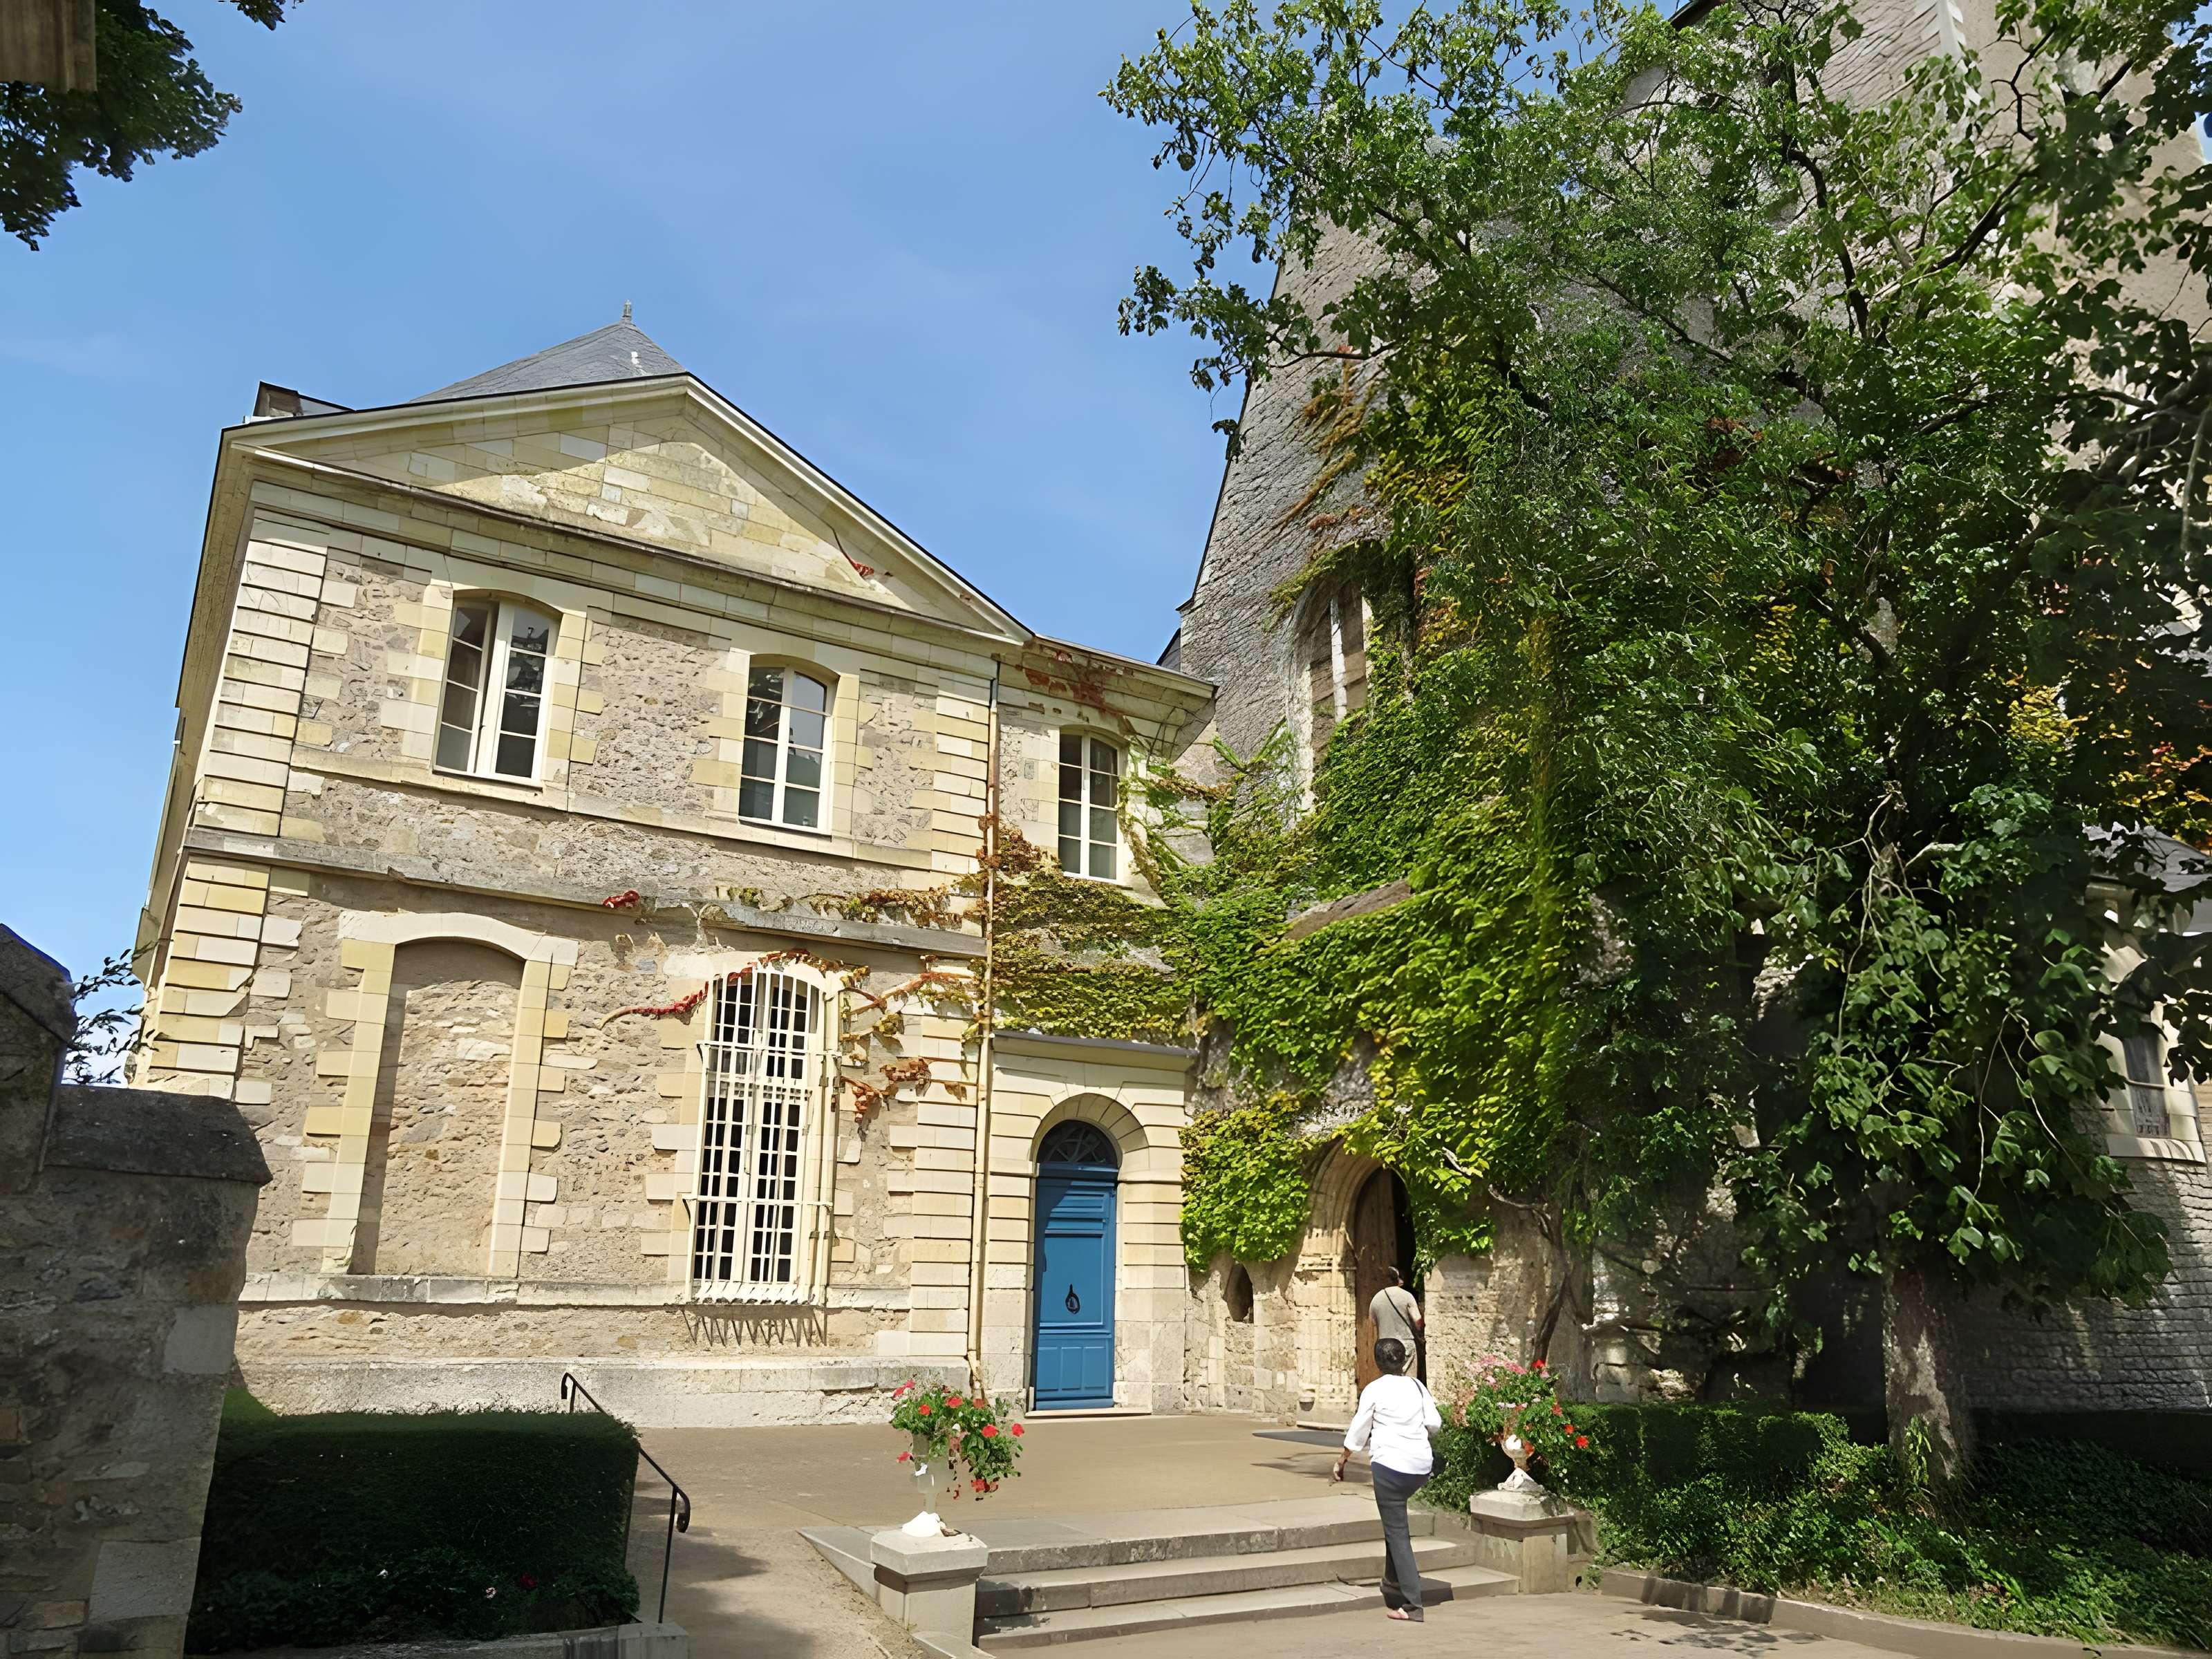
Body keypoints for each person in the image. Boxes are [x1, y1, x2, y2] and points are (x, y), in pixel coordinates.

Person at [1333, 1337, 1443, 1622]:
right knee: (1394, 1528)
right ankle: (1392, 1585)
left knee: (1397, 1532)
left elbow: (1359, 1428)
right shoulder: (1418, 1387)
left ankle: (1413, 1606)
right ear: (1403, 1360)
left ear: (1378, 1362)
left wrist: (1343, 1459)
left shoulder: (1374, 1390)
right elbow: (1435, 1424)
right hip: (1419, 1467)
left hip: (1390, 1467)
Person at [1369, 1266, 1423, 1374]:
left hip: (1386, 1347)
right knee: (1409, 1382)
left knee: (1389, 1383)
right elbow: (1418, 1323)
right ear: (1397, 1279)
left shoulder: (1376, 1299)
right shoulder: (1407, 1296)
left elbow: (1373, 1323)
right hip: (1406, 1344)